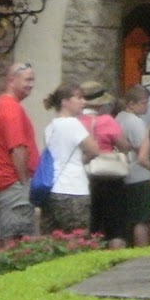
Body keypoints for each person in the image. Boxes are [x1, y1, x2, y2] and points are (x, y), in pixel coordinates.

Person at [0, 62, 39, 243]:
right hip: (12, 184)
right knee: (17, 243)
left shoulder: (0, 104)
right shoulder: (11, 108)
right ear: (12, 80)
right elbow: (18, 149)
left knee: (0, 243)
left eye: (33, 80)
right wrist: (24, 183)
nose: (31, 84)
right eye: (27, 80)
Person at [79, 82, 131, 249]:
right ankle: (117, 258)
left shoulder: (76, 121)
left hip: (84, 177)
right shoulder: (107, 120)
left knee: (91, 225)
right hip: (111, 177)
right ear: (100, 103)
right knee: (115, 226)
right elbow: (124, 146)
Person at [42, 83, 98, 233]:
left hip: (53, 189)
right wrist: (82, 161)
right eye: (78, 98)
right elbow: (94, 150)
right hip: (73, 189)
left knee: (54, 238)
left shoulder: (50, 127)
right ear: (65, 102)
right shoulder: (73, 124)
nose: (83, 102)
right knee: (77, 237)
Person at [117, 85, 150, 247]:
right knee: (142, 219)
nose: (147, 106)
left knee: (136, 217)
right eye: (143, 103)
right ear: (131, 103)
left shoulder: (119, 117)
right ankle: (144, 250)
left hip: (126, 173)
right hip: (140, 175)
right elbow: (143, 151)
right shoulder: (135, 122)